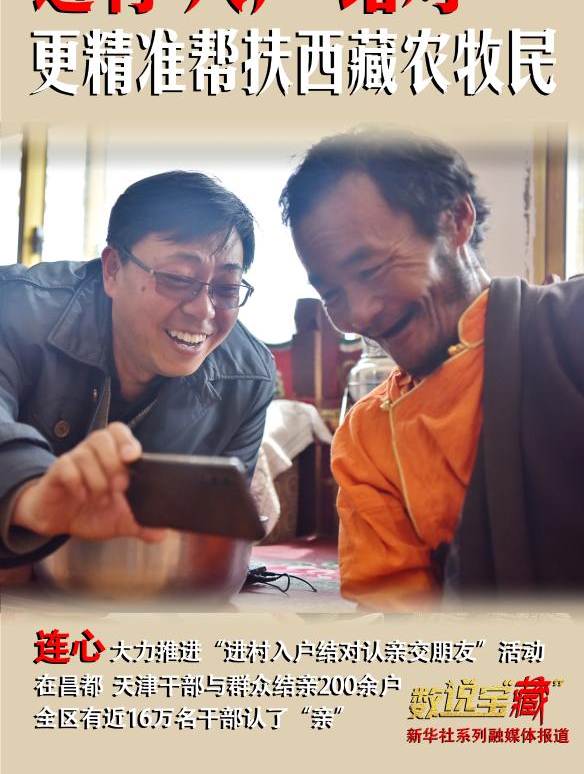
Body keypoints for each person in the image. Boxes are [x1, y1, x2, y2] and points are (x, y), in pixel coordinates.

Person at [280, 127, 584, 610]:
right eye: (332, 293)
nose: (359, 314)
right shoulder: (368, 438)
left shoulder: (569, 327)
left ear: (456, 220)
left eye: (372, 268)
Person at [0, 171, 275, 568]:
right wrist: (33, 497)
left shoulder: (248, 379)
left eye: (227, 288)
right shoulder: (14, 308)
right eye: (177, 279)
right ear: (113, 269)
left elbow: (217, 529)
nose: (203, 311)